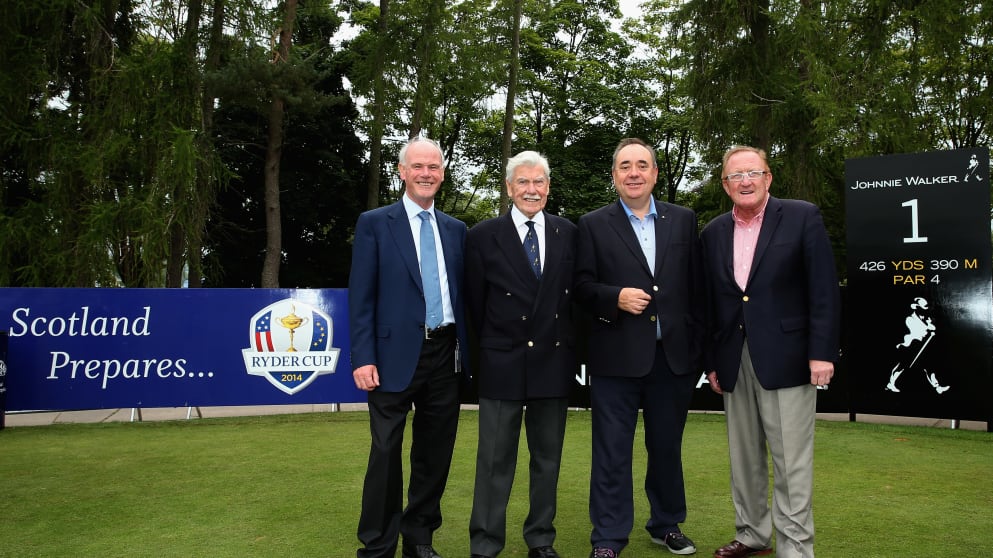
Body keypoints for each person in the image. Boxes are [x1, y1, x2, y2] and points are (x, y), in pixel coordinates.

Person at [701, 146, 841, 558]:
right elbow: (711, 303)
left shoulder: (801, 217)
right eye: (736, 175)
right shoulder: (713, 233)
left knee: (791, 461)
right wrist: (712, 361)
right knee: (744, 458)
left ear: (768, 177)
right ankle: (752, 534)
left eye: (753, 173)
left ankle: (795, 547)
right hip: (733, 359)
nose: (745, 181)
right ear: (725, 184)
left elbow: (823, 290)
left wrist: (822, 353)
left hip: (789, 358)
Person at [574, 138, 704, 558]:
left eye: (642, 165)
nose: (634, 173)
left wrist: (700, 350)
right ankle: (608, 537)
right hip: (616, 358)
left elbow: (697, 287)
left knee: (666, 448)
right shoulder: (592, 224)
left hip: (673, 359)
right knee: (612, 451)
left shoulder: (683, 220)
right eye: (625, 166)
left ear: (655, 173)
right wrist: (615, 296)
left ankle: (666, 524)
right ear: (614, 175)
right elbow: (580, 287)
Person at [348, 136, 469, 558]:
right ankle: (378, 545)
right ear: (402, 172)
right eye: (418, 166)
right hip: (390, 357)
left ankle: (419, 539)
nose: (426, 173)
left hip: (445, 355)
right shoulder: (375, 223)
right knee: (385, 452)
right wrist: (363, 356)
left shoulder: (456, 230)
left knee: (434, 454)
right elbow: (361, 296)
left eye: (433, 167)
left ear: (442, 173)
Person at [465, 151, 577, 558]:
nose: (532, 189)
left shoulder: (568, 232)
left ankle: (541, 539)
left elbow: (574, 300)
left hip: (553, 362)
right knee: (494, 461)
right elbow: (474, 305)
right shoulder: (482, 235)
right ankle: (485, 542)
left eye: (539, 182)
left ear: (548, 187)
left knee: (547, 460)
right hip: (501, 362)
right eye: (523, 182)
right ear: (509, 187)